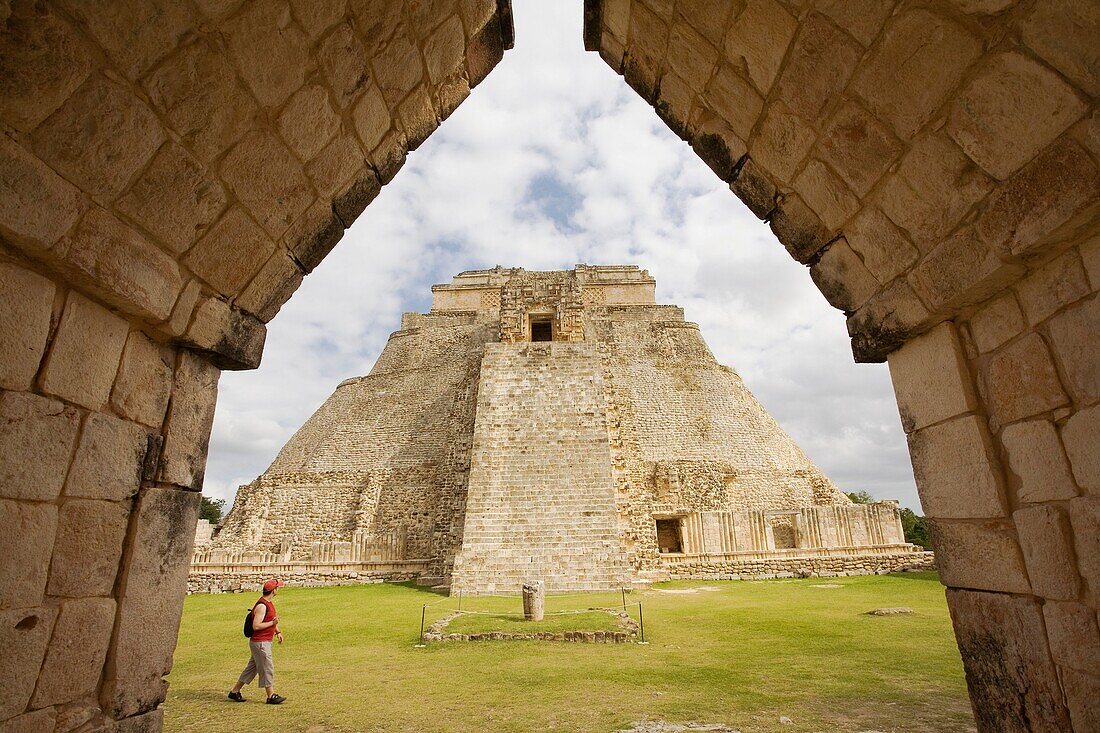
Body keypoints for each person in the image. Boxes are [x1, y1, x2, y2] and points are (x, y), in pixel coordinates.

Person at [228, 578, 286, 704]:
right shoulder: (262, 606)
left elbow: (271, 620)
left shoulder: (268, 603)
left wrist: (278, 631)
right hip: (260, 642)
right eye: (277, 588)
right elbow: (256, 626)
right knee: (267, 667)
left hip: (263, 641)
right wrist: (273, 623)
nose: (278, 589)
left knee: (251, 669)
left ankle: (234, 691)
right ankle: (271, 695)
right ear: (273, 590)